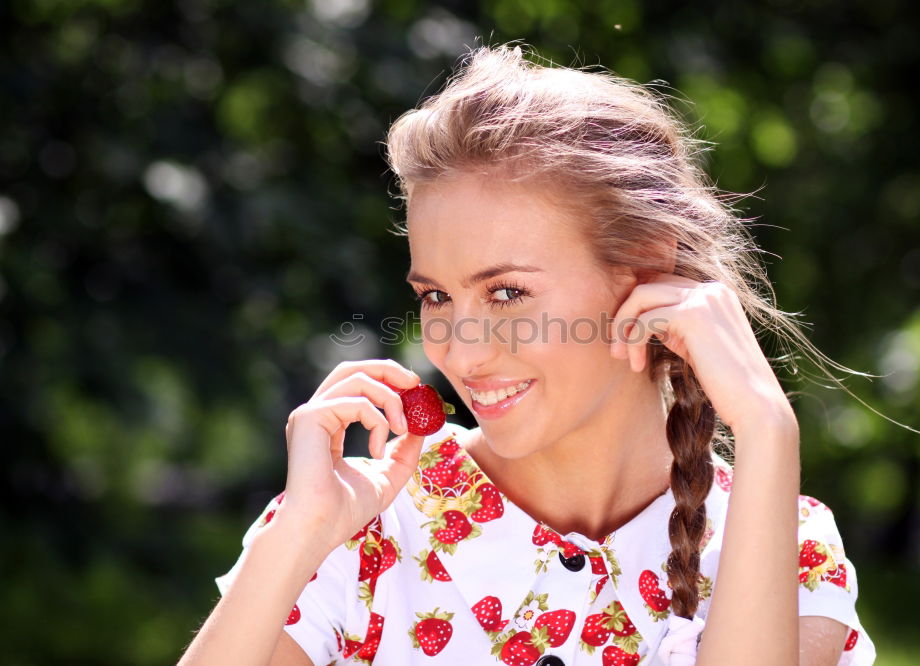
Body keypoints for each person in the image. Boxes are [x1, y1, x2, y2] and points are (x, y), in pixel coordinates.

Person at [179, 44, 876, 665]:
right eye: (436, 297)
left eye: (507, 292)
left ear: (644, 271)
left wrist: (765, 428)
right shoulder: (356, 522)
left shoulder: (784, 543)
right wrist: (296, 535)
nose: (460, 347)